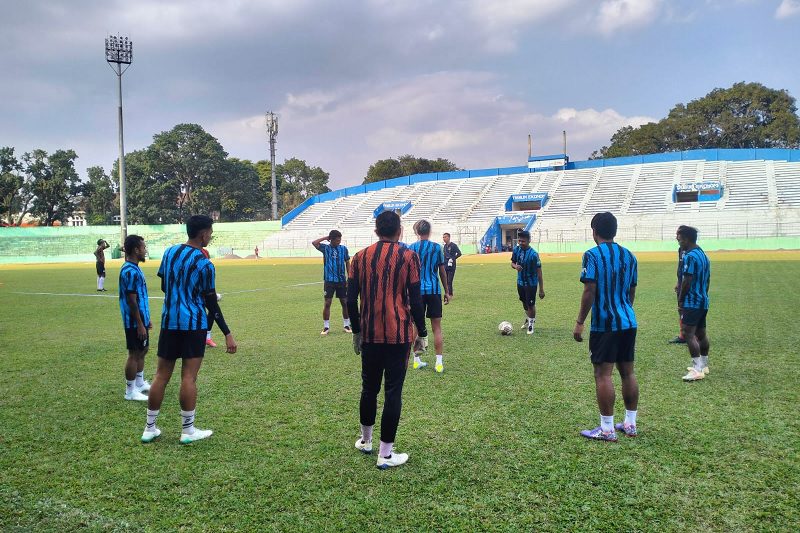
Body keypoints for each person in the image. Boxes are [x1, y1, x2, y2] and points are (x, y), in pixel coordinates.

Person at [141, 215, 237, 444]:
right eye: (210, 233)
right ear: (203, 234)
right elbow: (211, 302)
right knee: (188, 378)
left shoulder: (170, 252)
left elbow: (165, 286)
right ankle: (188, 431)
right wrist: (227, 333)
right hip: (193, 324)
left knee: (160, 376)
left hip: (169, 321)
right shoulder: (205, 264)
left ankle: (149, 428)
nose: (210, 237)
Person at [348, 211, 427, 469]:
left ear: (376, 230)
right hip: (399, 334)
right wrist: (422, 333)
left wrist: (357, 331)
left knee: (369, 388)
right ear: (400, 231)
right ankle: (386, 454)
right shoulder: (408, 257)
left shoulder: (359, 258)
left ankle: (366, 441)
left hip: (370, 334)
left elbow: (350, 300)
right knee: (393, 391)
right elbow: (416, 299)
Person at [573, 212, 639, 441]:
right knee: (628, 372)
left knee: (603, 374)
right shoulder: (630, 256)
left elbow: (589, 290)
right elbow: (631, 290)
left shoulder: (591, 255)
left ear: (594, 231)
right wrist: (623, 310)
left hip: (605, 324)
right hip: (628, 321)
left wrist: (580, 321)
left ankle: (607, 428)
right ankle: (630, 424)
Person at [409, 220, 451, 373]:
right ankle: (439, 363)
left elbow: (408, 273)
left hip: (417, 293)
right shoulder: (437, 248)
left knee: (415, 326)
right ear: (429, 231)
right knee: (437, 328)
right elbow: (442, 271)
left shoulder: (411, 248)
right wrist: (447, 290)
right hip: (434, 291)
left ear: (417, 232)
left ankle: (416, 359)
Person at [119, 235, 152, 401]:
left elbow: (140, 297)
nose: (145, 251)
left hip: (140, 319)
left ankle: (139, 383)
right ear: (136, 250)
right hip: (133, 321)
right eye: (143, 248)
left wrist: (146, 319)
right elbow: (131, 300)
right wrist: (139, 323)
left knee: (143, 350)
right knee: (134, 353)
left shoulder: (135, 268)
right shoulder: (130, 271)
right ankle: (130, 391)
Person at [677, 226, 712, 381]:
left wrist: (681, 299)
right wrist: (703, 294)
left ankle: (697, 369)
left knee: (688, 333)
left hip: (692, 301)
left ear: (686, 239)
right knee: (701, 333)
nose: (678, 242)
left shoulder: (690, 256)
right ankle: (703, 364)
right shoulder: (703, 255)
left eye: (679, 239)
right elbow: (708, 279)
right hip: (703, 299)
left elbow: (687, 280)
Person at [312, 230, 352, 335]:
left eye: (340, 240)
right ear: (332, 240)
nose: (339, 242)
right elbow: (314, 243)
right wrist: (326, 237)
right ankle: (326, 327)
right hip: (329, 280)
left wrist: (350, 276)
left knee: (344, 302)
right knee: (327, 303)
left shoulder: (343, 249)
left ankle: (346, 325)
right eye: (337, 240)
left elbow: (347, 262)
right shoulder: (325, 248)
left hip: (341, 280)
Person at [510, 231, 545, 335]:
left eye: (523, 241)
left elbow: (539, 272)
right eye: (519, 240)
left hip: (531, 284)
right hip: (520, 282)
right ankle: (528, 318)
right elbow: (512, 263)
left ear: (529, 241)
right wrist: (515, 266)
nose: (521, 243)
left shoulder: (534, 255)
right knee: (524, 303)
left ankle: (531, 325)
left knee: (530, 304)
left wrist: (541, 289)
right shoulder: (516, 250)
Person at [199, 247, 220, 348]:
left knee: (212, 310)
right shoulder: (191, 254)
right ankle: (202, 338)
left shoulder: (205, 254)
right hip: (195, 294)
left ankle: (207, 337)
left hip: (205, 292)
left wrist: (213, 295)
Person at [669, 234, 688, 344]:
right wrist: (678, 282)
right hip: (681, 284)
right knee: (680, 309)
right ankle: (683, 335)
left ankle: (692, 335)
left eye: (679, 236)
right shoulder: (680, 250)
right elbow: (680, 267)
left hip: (688, 285)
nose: (677, 238)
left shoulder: (692, 252)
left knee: (688, 309)